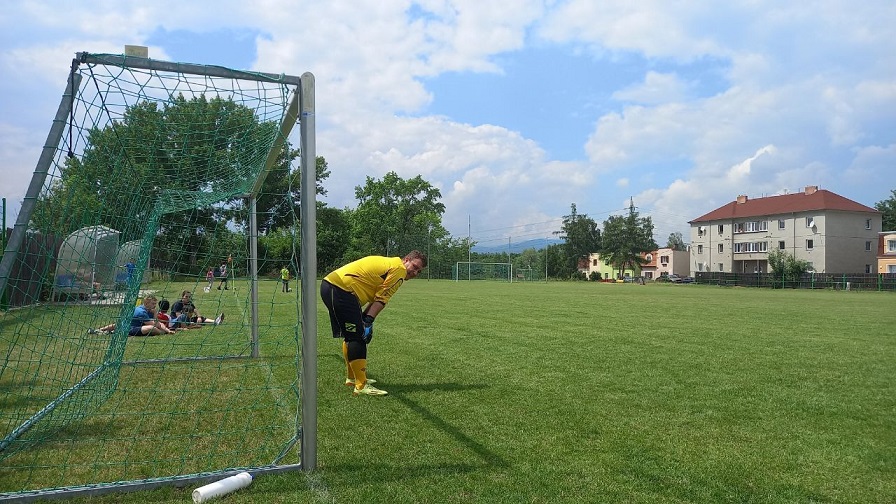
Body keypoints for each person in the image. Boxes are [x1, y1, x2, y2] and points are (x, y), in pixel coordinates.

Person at [320, 250, 427, 396]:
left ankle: (352, 378)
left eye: (419, 271)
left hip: (335, 287)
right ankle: (361, 385)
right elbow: (382, 299)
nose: (415, 273)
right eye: (414, 267)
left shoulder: (391, 264)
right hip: (341, 290)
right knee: (357, 337)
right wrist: (368, 322)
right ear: (406, 260)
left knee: (351, 335)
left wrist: (365, 318)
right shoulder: (399, 270)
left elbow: (377, 297)